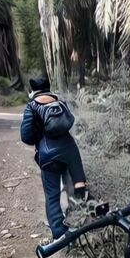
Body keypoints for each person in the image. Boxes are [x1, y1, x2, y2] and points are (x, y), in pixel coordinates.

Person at [20, 76, 92, 240]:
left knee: (52, 196)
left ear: (33, 90)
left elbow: (26, 136)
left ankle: (60, 236)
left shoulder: (32, 107)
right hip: (70, 151)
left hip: (48, 155)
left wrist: (38, 137)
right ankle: (83, 220)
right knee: (77, 186)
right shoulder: (60, 102)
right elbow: (70, 121)